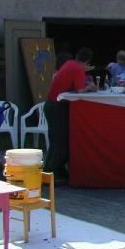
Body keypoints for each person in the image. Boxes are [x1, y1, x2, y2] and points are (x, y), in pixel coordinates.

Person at [44, 48, 98, 182]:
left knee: (56, 140)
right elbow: (80, 90)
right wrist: (90, 86)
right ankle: (53, 172)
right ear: (87, 62)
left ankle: (52, 170)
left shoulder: (69, 64)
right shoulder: (78, 69)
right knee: (61, 141)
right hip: (57, 106)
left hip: (51, 105)